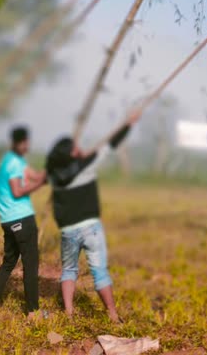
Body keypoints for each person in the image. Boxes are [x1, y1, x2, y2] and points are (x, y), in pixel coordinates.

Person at [44, 109, 142, 322]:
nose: (80, 148)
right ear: (71, 153)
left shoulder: (53, 176)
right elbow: (109, 146)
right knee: (100, 272)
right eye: (75, 147)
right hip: (91, 228)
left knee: (69, 270)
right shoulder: (85, 167)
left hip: (68, 231)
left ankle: (68, 313)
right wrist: (128, 125)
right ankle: (113, 315)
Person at [0, 125, 49, 317]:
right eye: (26, 142)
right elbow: (17, 191)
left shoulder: (14, 161)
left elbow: (35, 175)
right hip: (21, 218)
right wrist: (39, 183)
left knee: (9, 262)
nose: (27, 146)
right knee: (30, 264)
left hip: (8, 220)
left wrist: (48, 172)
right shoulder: (13, 163)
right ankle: (33, 311)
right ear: (20, 142)